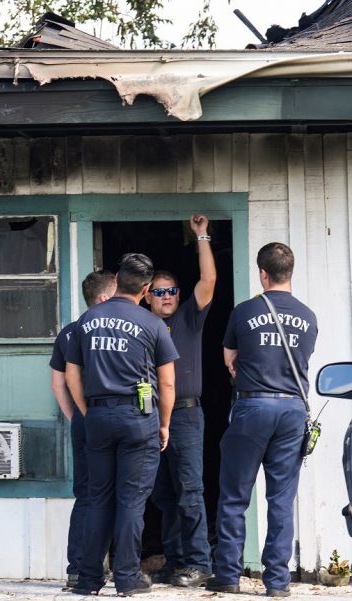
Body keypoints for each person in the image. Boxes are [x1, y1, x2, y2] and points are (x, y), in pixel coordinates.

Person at [207, 242, 318, 598]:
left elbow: (229, 359)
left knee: (235, 497)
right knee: (281, 499)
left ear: (262, 274)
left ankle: (227, 575)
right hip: (291, 410)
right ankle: (277, 583)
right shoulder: (308, 316)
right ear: (290, 272)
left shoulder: (244, 312)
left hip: (253, 406)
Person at [65, 253, 178, 597]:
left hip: (97, 416)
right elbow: (168, 383)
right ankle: (127, 579)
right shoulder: (152, 324)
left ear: (118, 278)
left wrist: (88, 411)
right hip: (138, 417)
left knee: (98, 498)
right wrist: (164, 425)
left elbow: (72, 375)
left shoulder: (86, 321)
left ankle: (88, 580)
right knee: (131, 501)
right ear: (146, 289)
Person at [144, 214, 217, 588]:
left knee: (190, 491)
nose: (167, 296)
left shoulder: (189, 316)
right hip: (150, 418)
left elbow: (208, 281)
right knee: (163, 494)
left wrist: (201, 235)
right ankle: (175, 561)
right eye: (159, 291)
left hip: (186, 416)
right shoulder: (141, 324)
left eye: (171, 290)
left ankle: (199, 562)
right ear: (147, 295)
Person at [51, 271, 118, 588]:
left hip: (83, 420)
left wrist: (76, 416)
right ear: (104, 298)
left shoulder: (68, 333)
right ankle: (113, 565)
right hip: (112, 416)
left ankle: (78, 567)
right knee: (118, 493)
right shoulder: (115, 330)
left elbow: (58, 383)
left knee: (87, 494)